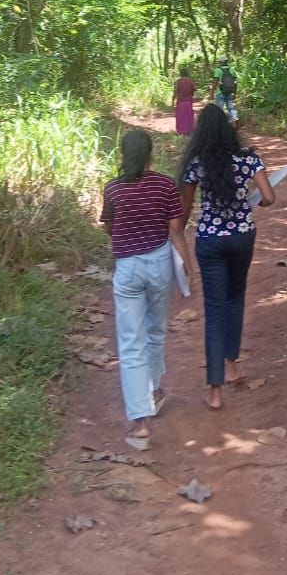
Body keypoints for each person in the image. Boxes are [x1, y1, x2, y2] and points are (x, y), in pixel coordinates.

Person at [100, 128, 193, 450]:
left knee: (130, 343)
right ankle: (153, 391)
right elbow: (176, 230)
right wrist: (188, 268)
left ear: (123, 155)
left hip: (128, 267)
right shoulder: (165, 185)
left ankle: (140, 422)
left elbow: (109, 227)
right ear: (151, 154)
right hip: (159, 262)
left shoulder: (112, 189)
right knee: (156, 331)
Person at [179, 104, 275, 409]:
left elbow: (183, 212)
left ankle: (215, 390)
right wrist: (251, 204)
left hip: (209, 240)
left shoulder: (197, 163)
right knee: (235, 300)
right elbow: (270, 197)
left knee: (214, 309)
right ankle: (232, 365)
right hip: (241, 238)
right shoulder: (248, 158)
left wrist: (174, 237)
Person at [172, 65, 196, 136]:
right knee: (188, 116)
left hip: (180, 101)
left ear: (180, 74)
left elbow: (175, 91)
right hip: (188, 101)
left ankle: (181, 131)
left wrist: (172, 100)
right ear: (187, 74)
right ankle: (189, 130)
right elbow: (193, 90)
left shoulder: (178, 82)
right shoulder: (190, 81)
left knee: (180, 116)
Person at [212, 56, 238, 121]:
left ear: (221, 62)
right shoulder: (232, 70)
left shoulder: (217, 70)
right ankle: (234, 118)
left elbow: (215, 82)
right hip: (229, 92)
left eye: (219, 62)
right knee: (231, 108)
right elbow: (235, 83)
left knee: (219, 109)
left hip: (220, 92)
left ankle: (219, 123)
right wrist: (235, 93)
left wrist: (211, 92)